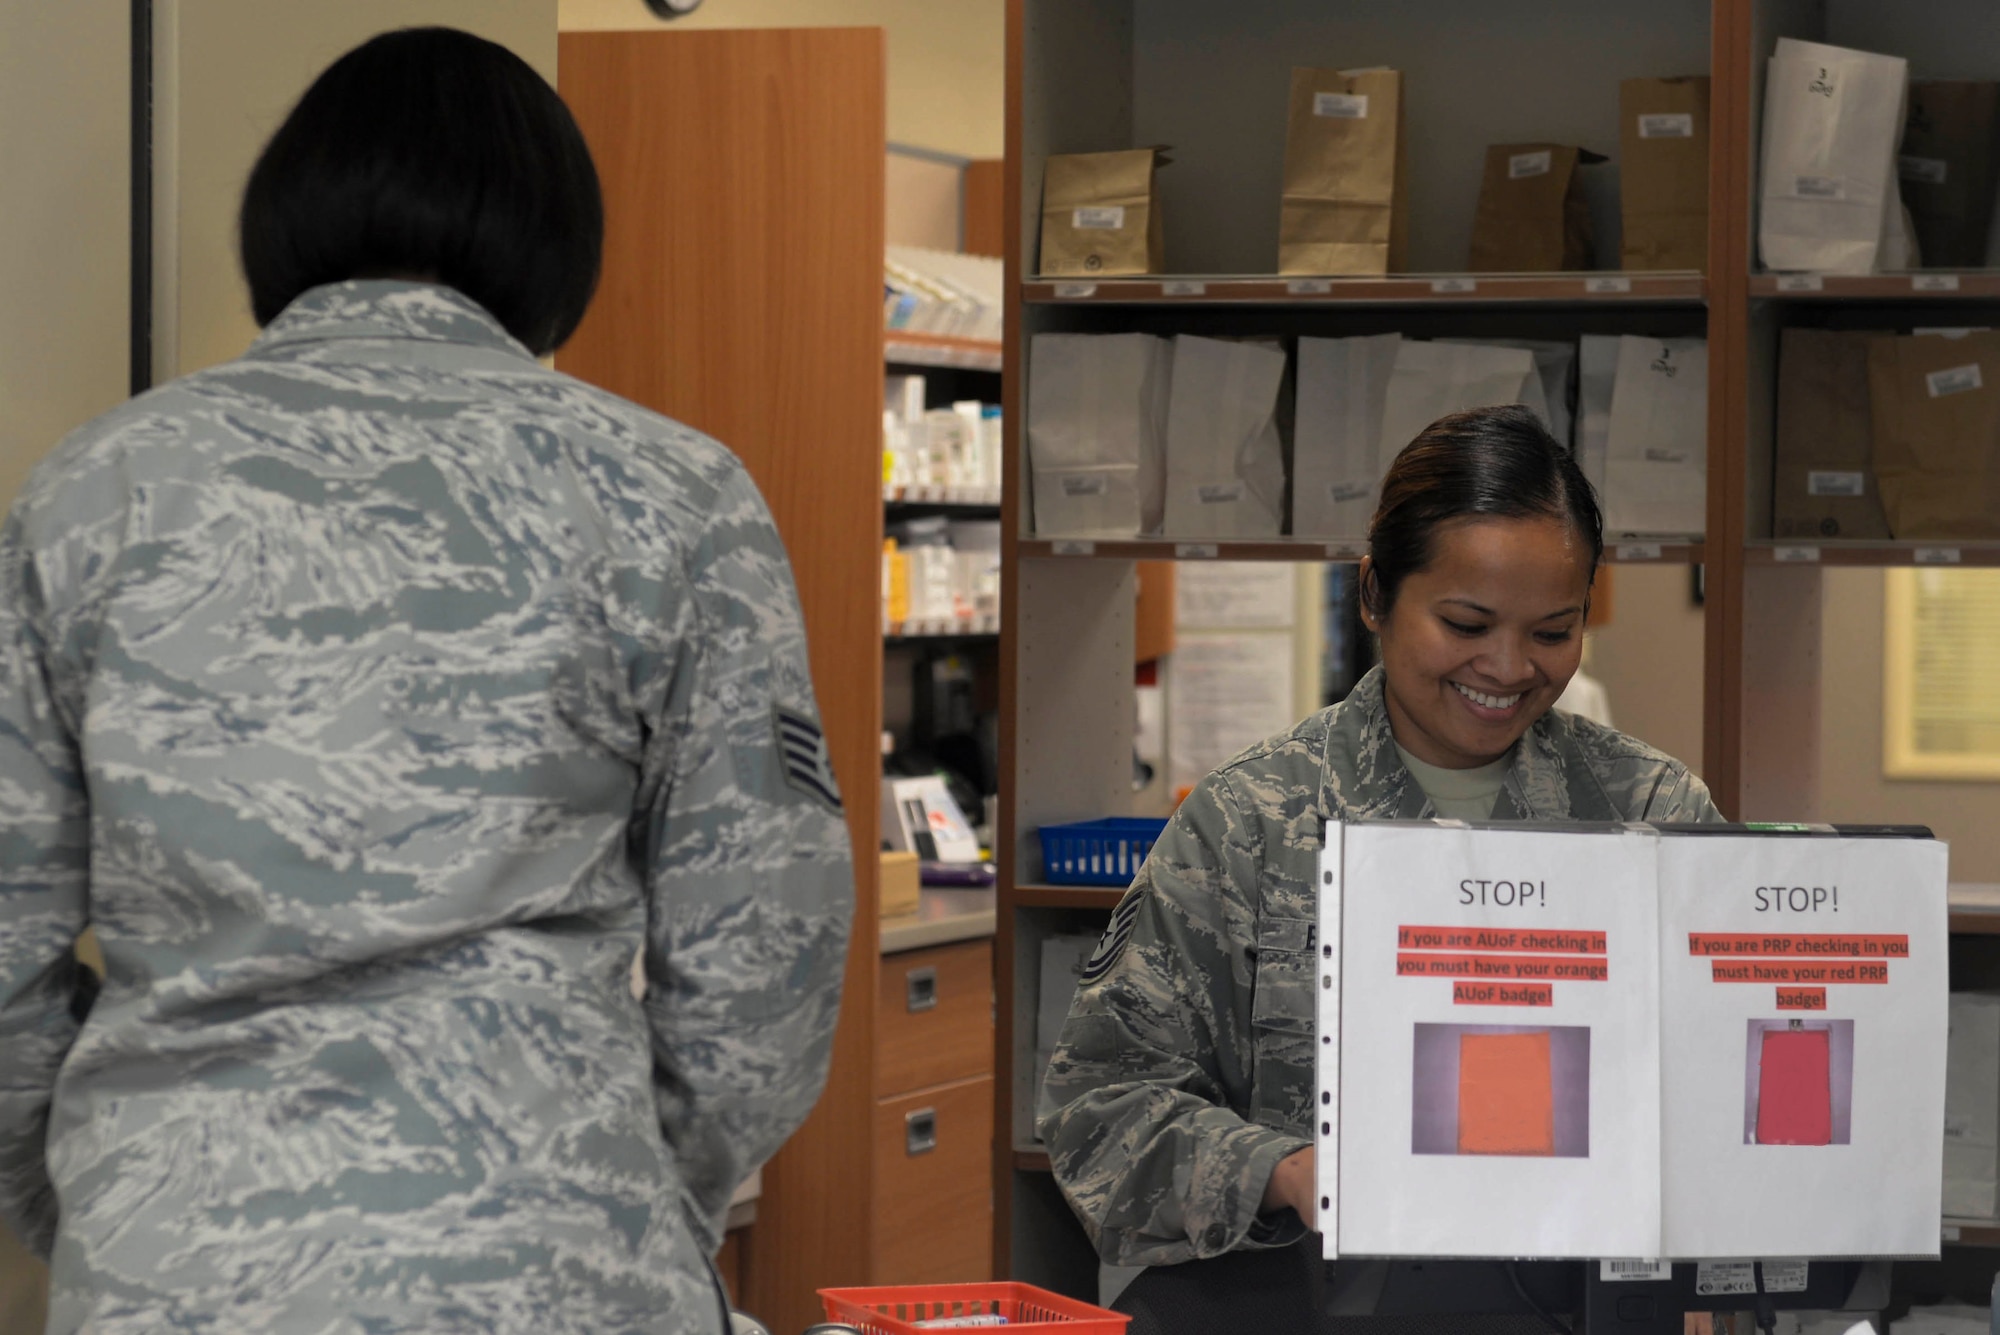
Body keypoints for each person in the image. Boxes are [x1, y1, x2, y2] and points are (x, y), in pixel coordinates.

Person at [0, 28, 852, 1335]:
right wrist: (630, 1199)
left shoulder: (89, 492)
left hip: (172, 1266)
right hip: (555, 1261)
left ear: (283, 227)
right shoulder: (668, 497)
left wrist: (115, 1200)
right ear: (556, 251)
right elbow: (765, 951)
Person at [1038, 405, 1720, 1326]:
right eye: (1467, 621)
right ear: (1373, 595)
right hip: (1303, 1304)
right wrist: (1281, 1171)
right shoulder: (1251, 821)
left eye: (1553, 632)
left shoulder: (1650, 813)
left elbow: (1721, 1094)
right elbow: (1100, 1108)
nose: (1509, 666)